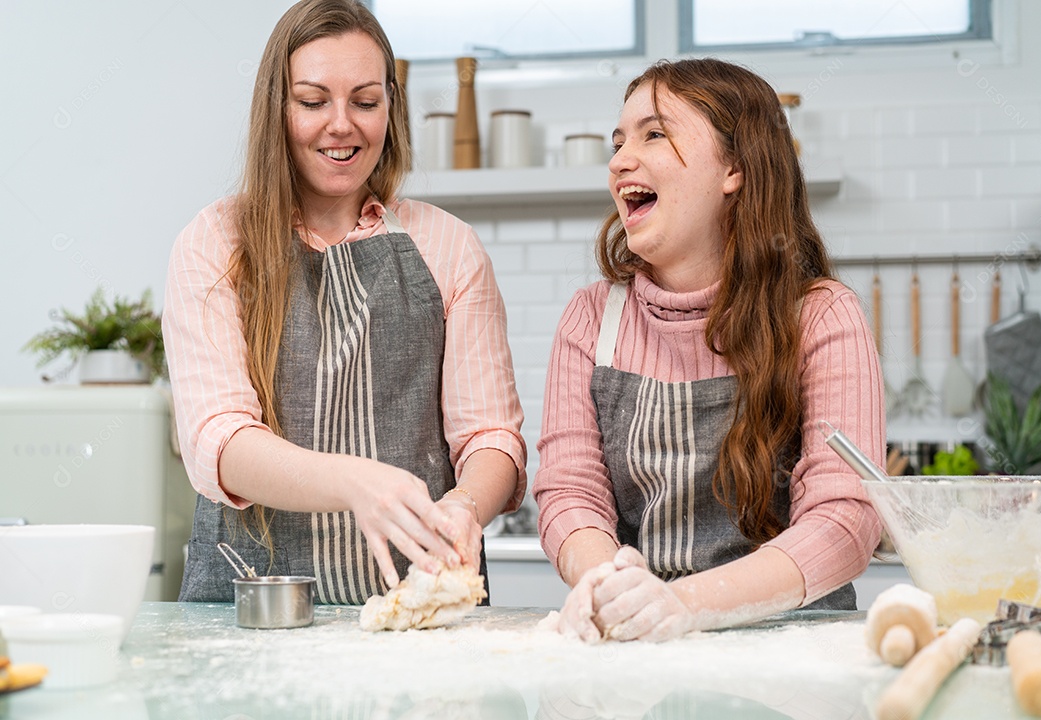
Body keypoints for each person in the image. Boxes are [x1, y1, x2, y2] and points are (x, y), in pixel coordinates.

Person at [163, 0, 526, 603]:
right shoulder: (215, 243)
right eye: (312, 102)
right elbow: (220, 441)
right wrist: (356, 482)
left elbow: (491, 437)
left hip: (420, 611)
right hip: (250, 611)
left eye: (365, 101)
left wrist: (465, 505)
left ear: (391, 108)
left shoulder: (449, 247)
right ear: (275, 110)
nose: (342, 125)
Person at [533, 58, 885, 642]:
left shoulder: (821, 314)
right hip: (643, 654)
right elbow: (571, 491)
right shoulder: (593, 318)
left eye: (654, 134)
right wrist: (607, 589)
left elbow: (845, 517)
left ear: (735, 169)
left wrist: (684, 604)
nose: (621, 160)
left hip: (794, 661)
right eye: (618, 142)